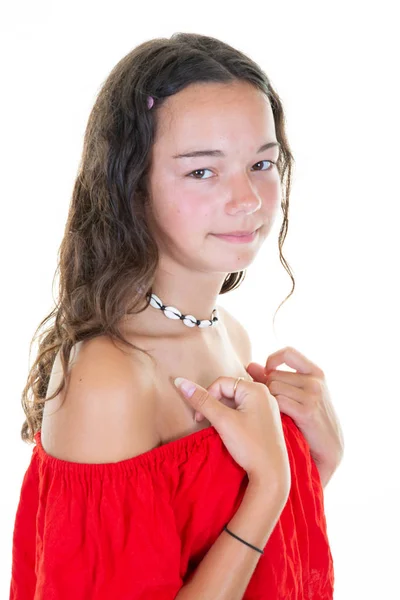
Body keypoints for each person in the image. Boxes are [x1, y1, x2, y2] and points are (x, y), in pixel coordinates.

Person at [9, 32, 335, 599]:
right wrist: (271, 484)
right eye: (202, 172)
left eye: (262, 162)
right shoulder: (109, 380)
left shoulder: (228, 333)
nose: (249, 199)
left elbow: (254, 566)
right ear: (132, 187)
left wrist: (319, 462)